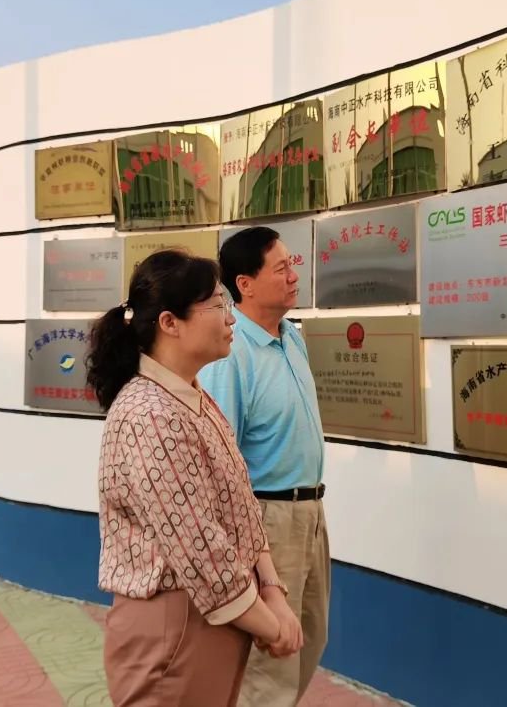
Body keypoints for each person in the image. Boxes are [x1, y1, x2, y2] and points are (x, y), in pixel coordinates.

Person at [88, 248, 303, 707]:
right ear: (170, 323)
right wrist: (271, 625)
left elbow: (240, 506)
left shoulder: (191, 397)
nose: (230, 317)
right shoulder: (148, 414)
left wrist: (271, 589)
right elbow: (199, 545)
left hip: (211, 617)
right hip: (175, 625)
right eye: (217, 304)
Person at [197, 227, 329, 707]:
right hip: (267, 519)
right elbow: (220, 463)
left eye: (293, 266)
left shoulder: (292, 338)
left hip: (310, 513)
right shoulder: (231, 356)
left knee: (308, 639)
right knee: (269, 663)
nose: (294, 276)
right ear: (245, 284)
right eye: (282, 268)